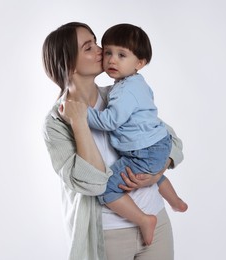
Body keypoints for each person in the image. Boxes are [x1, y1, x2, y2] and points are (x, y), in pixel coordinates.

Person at [42, 22, 184, 260]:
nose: (101, 50)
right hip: (108, 234)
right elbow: (94, 184)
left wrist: (156, 171)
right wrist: (78, 122)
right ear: (67, 63)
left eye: (96, 42)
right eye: (89, 47)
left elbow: (169, 139)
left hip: (157, 222)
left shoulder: (119, 94)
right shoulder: (56, 122)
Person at [86, 23, 187, 245]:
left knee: (107, 187)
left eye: (122, 55)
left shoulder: (124, 92)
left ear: (139, 63)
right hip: (158, 145)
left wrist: (82, 114)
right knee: (154, 174)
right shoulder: (137, 84)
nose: (112, 60)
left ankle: (144, 220)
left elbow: (110, 121)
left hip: (144, 151)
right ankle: (176, 201)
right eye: (109, 52)